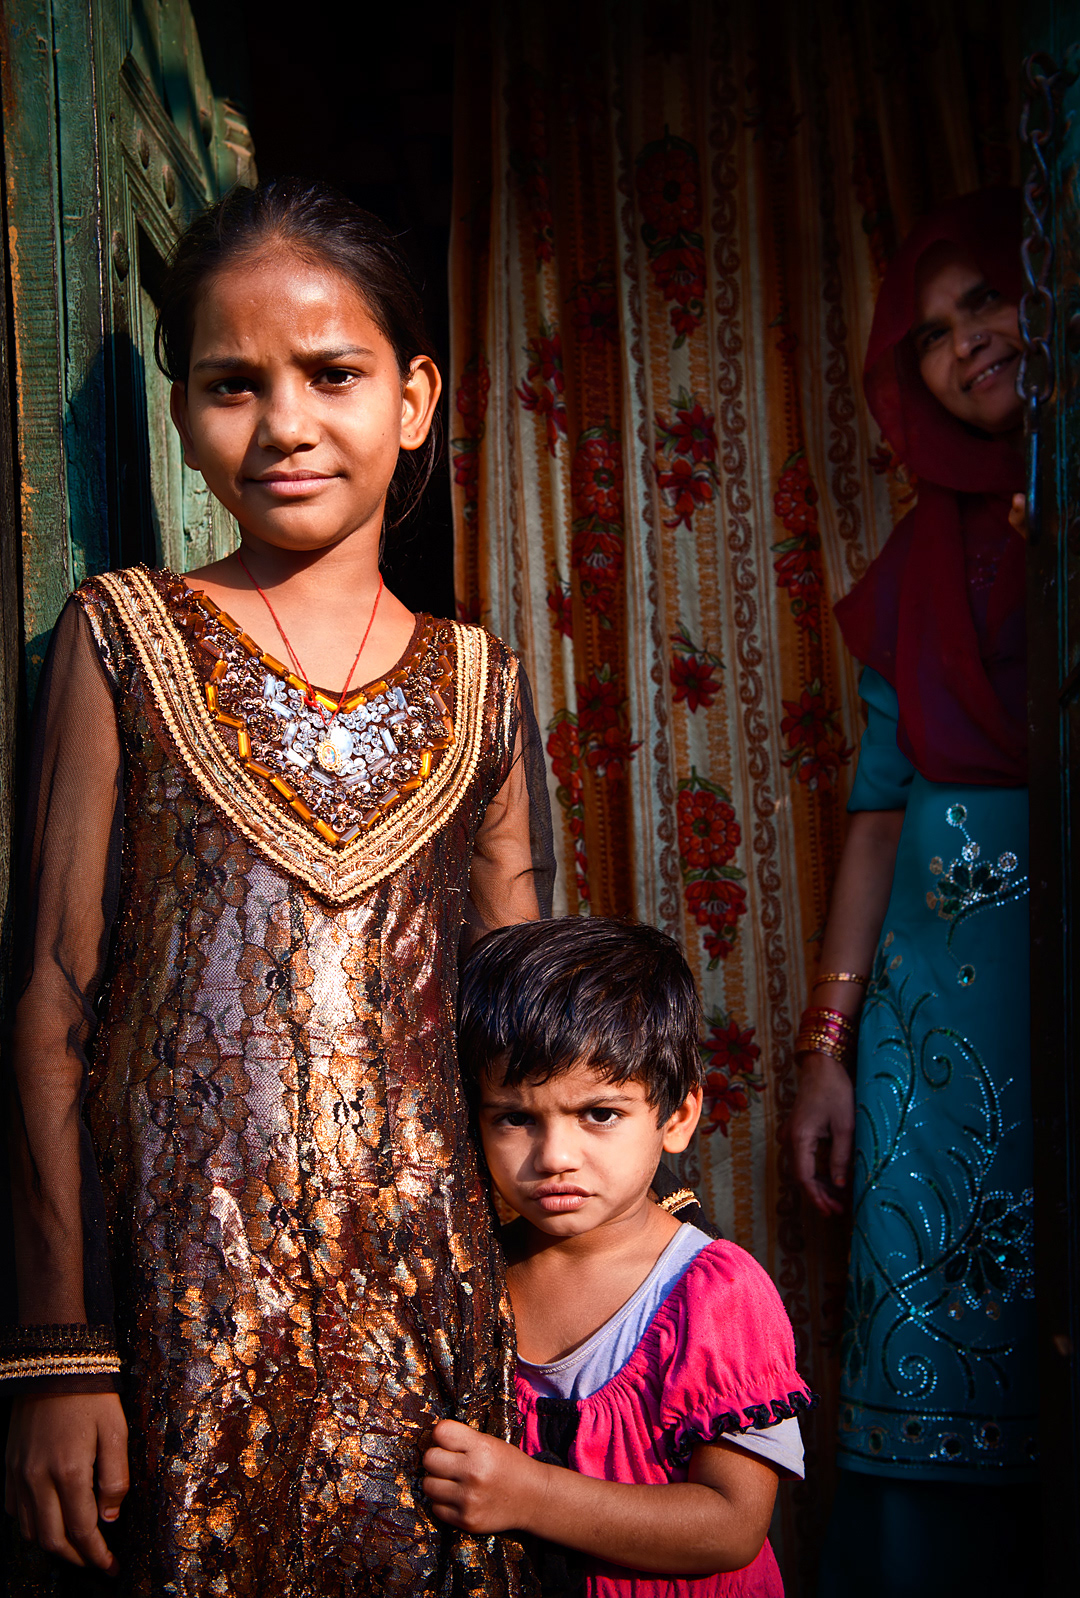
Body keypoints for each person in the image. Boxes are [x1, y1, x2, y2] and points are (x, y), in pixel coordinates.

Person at [2, 178, 555, 1598]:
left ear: (416, 397)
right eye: (231, 383)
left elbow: (528, 1031)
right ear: (184, 412)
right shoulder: (125, 635)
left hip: (428, 1328)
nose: (286, 423)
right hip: (182, 1319)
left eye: (333, 374)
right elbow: (56, 1000)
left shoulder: (482, 686)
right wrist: (59, 1351)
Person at [786, 187, 1036, 1595]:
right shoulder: (911, 576)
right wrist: (828, 1055)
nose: (964, 343)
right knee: (943, 1358)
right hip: (936, 1049)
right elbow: (878, 816)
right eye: (932, 334)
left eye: (984, 302)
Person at [426, 916, 813, 1596]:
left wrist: (530, 1494)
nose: (555, 1158)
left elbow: (730, 1525)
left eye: (599, 1114)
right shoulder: (471, 1273)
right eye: (515, 1118)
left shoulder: (713, 1295)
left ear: (677, 1117)